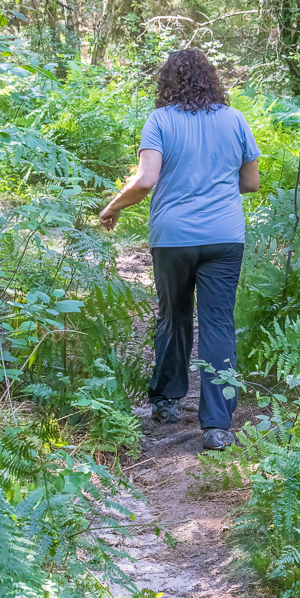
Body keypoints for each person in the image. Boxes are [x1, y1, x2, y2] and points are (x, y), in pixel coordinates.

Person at [99, 49, 260, 450]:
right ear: (212, 79)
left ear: (166, 82)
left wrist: (112, 206)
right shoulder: (235, 119)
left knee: (174, 316)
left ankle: (168, 403)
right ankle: (219, 425)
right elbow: (251, 182)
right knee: (219, 323)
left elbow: (145, 180)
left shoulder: (160, 121)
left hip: (173, 237)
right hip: (224, 236)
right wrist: (215, 184)